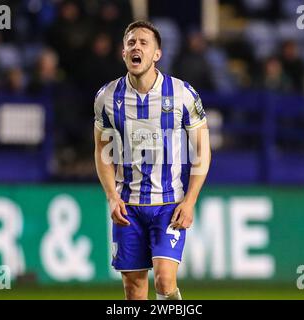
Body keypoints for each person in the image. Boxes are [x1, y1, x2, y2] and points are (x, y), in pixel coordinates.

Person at [93, 20, 211, 300]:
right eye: (131, 42)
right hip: (129, 207)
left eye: (144, 43)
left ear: (157, 54)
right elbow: (101, 152)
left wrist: (191, 200)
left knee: (164, 281)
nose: (136, 47)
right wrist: (111, 196)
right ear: (123, 53)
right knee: (134, 291)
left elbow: (202, 149)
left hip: (168, 204)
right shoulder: (107, 97)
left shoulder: (182, 93)